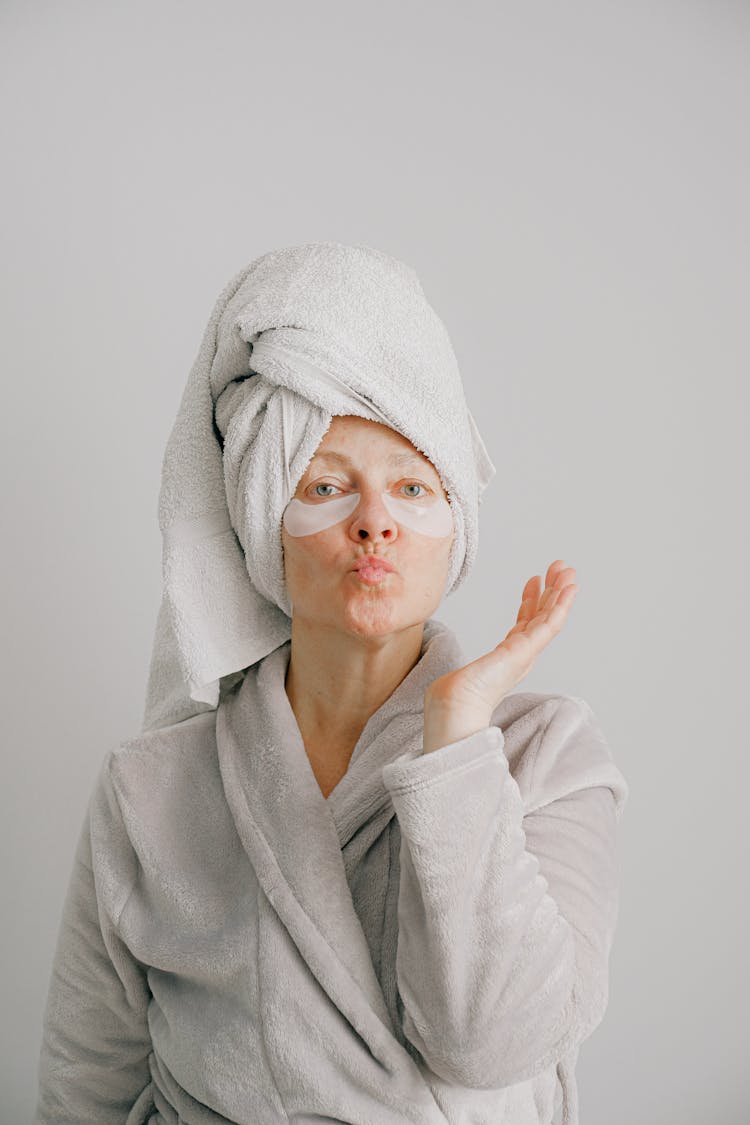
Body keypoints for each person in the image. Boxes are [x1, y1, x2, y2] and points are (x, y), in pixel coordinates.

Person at [34, 242, 628, 1125]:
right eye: (325, 485)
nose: (375, 523)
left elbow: (493, 1043)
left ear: (455, 525)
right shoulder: (151, 789)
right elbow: (85, 1085)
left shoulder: (548, 754)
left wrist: (458, 740)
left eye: (413, 487)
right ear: (263, 522)